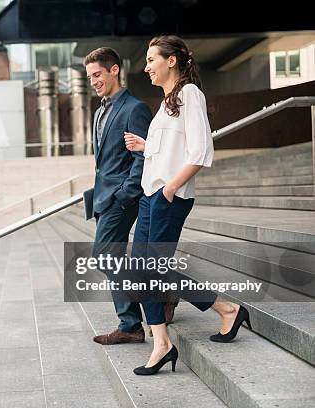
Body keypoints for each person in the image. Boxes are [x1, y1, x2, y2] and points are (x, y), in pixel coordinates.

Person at [124, 35, 250, 375]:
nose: (146, 66)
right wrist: (146, 145)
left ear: (172, 61)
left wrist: (171, 188)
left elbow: (201, 150)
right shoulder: (167, 103)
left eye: (152, 59)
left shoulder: (190, 94)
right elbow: (170, 150)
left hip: (169, 198)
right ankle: (218, 313)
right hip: (151, 197)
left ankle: (179, 336)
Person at [82, 47, 154, 346]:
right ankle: (161, 297)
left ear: (114, 70)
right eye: (89, 77)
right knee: (110, 257)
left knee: (105, 256)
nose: (93, 81)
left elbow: (141, 156)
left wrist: (125, 195)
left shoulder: (134, 108)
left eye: (97, 74)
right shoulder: (100, 111)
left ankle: (131, 323)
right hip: (104, 197)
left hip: (121, 197)